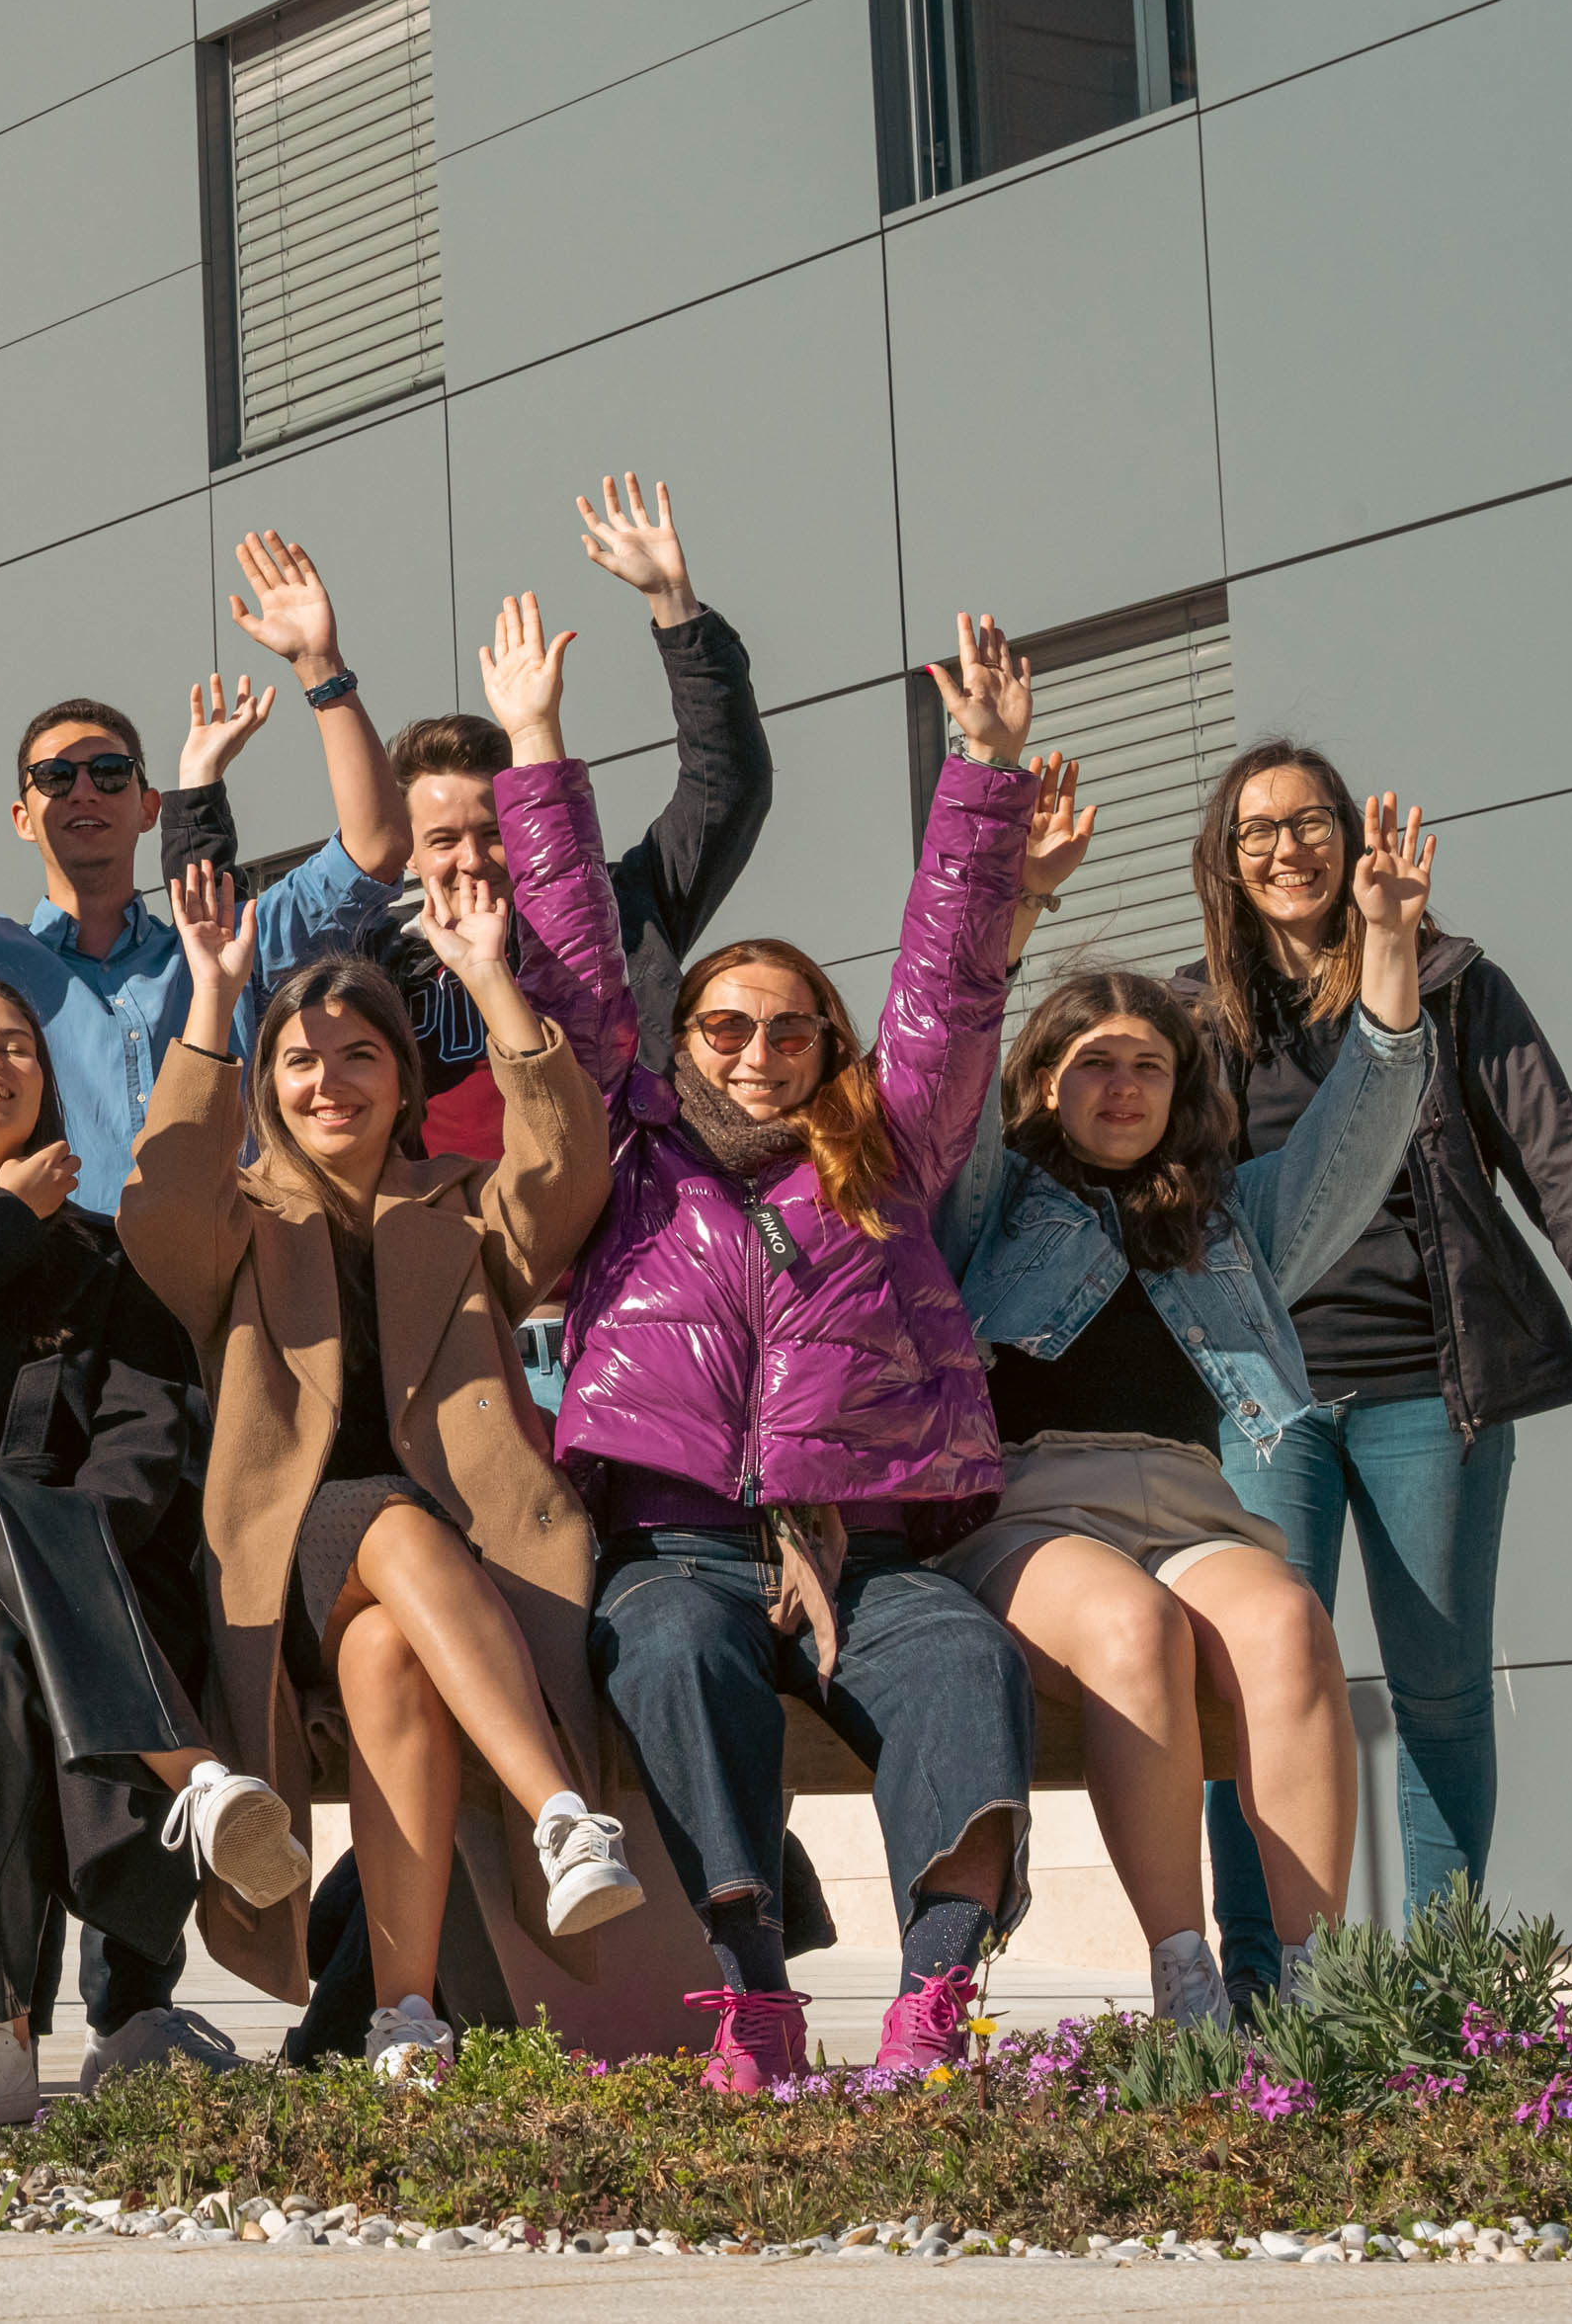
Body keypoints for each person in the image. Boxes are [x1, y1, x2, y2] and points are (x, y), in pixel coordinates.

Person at [120, 622, 647, 2084]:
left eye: (359, 1055)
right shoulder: (236, 1220)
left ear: (402, 1080)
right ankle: (560, 1812)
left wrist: (491, 980)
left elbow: (567, 1172)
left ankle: (405, 2019)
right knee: (387, 1527)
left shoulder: (455, 1208)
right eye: (302, 1061)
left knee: (390, 1665)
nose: (329, 1079)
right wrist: (216, 1001)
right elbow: (156, 1202)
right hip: (285, 1560)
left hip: (447, 1578)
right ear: (270, 1089)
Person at [557, 613, 1046, 2096]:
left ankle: (932, 1998)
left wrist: (984, 771)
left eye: (790, 1030)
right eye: (724, 1026)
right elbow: (574, 964)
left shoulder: (886, 1149)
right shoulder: (627, 1149)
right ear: (681, 1039)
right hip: (678, 1545)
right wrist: (533, 750)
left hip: (864, 1551)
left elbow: (951, 982)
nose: (757, 1051)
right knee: (666, 1649)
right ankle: (753, 1991)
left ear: (831, 1045)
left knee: (964, 1658)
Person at [1178, 741, 1572, 2008]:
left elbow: (1564, 1166)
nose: (1286, 849)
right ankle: (1261, 1999)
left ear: (1352, 840)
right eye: (1256, 831)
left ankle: (1439, 1997)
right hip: (1262, 1403)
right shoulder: (1191, 1018)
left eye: (1309, 822)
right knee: (1249, 1694)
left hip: (1428, 1388)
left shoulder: (1454, 986)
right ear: (1224, 861)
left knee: (1441, 1698)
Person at [933, 762, 1438, 2028]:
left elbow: (1360, 1132)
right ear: (1044, 1083)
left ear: (1180, 1089)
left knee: (1290, 1626)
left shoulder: (1230, 1220)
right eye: (1094, 1063)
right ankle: (1186, 1977)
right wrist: (1015, 906)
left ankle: (1320, 1991)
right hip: (1035, 1510)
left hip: (1193, 1505)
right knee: (1135, 1630)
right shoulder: (987, 1204)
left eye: (1149, 1066)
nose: (1122, 1086)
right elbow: (950, 1055)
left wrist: (1384, 944)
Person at [0, 977, 306, 2128]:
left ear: (45, 1084)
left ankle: (9, 2031)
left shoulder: (106, 1256)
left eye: (15, 1046)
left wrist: (42, 1576)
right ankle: (192, 1778)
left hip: (67, 1581)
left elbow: (147, 1436)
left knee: (2, 1670)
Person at [164, 471, 774, 1154]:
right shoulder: (369, 963)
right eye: (443, 840)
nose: (473, 859)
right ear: (410, 855)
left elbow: (728, 789)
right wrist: (197, 793)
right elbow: (216, 945)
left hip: (607, 1209)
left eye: (493, 833)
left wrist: (675, 606)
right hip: (430, 1222)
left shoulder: (622, 916)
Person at [0, 534, 409, 1206]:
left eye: (110, 772)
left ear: (150, 808)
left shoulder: (225, 946)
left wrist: (321, 667)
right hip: (45, 1267)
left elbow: (376, 848)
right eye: (54, 776)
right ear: (22, 817)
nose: (84, 790)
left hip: (225, 1267)